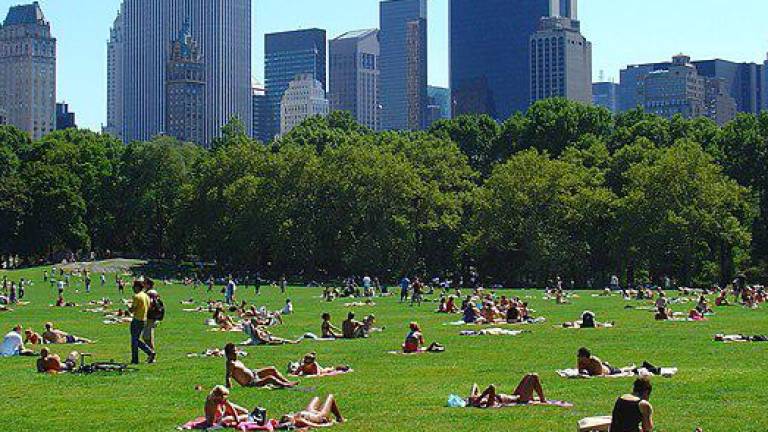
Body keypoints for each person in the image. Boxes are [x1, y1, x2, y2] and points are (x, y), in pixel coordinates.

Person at [224, 343, 297, 388]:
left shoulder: (236, 360)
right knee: (270, 378)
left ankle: (287, 381)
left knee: (272, 369)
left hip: (254, 373)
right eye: (233, 352)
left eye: (236, 351)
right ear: (228, 354)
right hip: (251, 383)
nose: (236, 353)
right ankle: (285, 385)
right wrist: (229, 388)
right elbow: (228, 377)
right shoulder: (230, 363)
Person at [466, 374, 547, 407]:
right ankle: (543, 400)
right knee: (534, 377)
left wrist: (472, 395)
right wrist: (479, 398)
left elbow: (475, 385)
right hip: (521, 399)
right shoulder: (489, 403)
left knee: (528, 375)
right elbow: (492, 387)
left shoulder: (480, 399)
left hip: (515, 394)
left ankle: (533, 397)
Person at [278, 395, 344, 429]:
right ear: (291, 422)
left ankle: (319, 411)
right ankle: (340, 419)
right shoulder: (299, 420)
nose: (286, 416)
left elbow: (277, 424)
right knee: (330, 396)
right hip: (319, 417)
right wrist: (329, 424)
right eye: (286, 418)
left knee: (316, 398)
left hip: (309, 412)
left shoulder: (295, 418)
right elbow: (316, 426)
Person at [129, 280, 156, 364]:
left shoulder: (137, 296)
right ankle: (135, 359)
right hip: (143, 319)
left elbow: (132, 309)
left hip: (137, 319)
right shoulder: (146, 296)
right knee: (135, 340)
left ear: (137, 287)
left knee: (135, 340)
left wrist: (128, 307)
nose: (133, 288)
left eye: (134, 287)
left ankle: (148, 352)